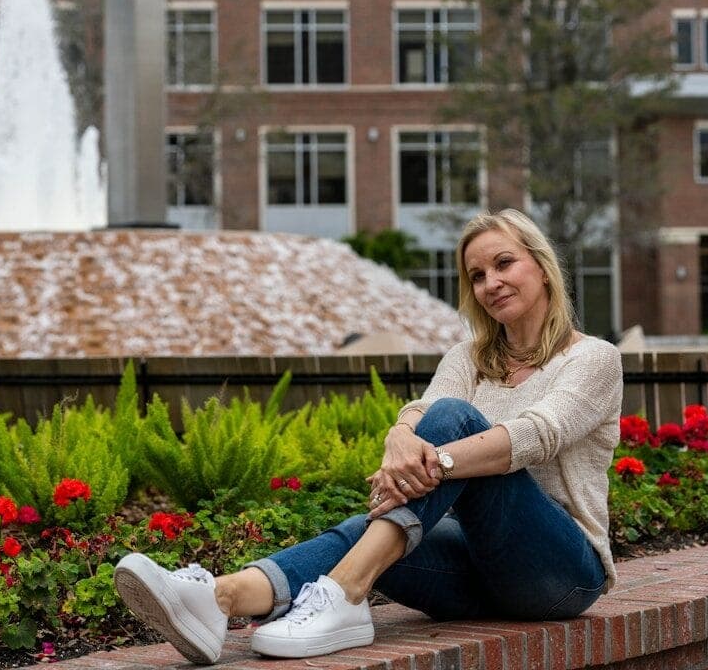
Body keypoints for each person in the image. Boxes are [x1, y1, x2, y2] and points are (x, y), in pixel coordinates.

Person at [114, 209, 622, 663]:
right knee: (371, 526)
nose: (491, 282)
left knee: (454, 419)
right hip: (476, 575)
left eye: (504, 264)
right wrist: (399, 439)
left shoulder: (592, 359)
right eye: (477, 275)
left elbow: (535, 435)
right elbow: (420, 411)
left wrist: (430, 462)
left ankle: (343, 592)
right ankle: (217, 600)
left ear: (541, 265)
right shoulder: (468, 358)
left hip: (558, 574)